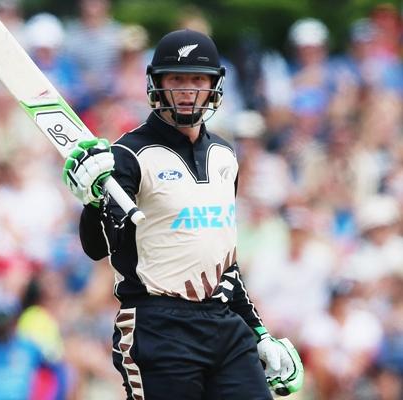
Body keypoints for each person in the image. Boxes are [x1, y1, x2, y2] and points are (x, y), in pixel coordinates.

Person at [63, 29, 304, 399]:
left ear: (214, 86)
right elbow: (97, 247)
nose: (188, 89)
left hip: (223, 324)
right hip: (158, 325)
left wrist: (259, 332)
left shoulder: (225, 155)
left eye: (198, 79)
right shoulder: (127, 155)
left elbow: (223, 263)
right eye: (177, 79)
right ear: (157, 84)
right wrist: (93, 200)